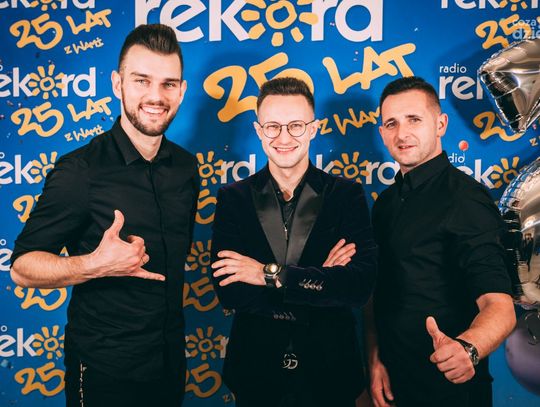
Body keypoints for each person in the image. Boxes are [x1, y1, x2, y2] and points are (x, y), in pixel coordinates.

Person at [10, 24, 199, 407]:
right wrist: (94, 265)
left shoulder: (186, 168)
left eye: (168, 84)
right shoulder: (81, 171)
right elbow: (22, 268)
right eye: (142, 81)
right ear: (118, 84)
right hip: (104, 369)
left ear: (181, 90)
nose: (156, 96)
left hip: (169, 362)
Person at [210, 77, 377, 407]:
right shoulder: (233, 198)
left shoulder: (347, 195)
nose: (284, 138)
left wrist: (266, 274)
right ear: (259, 131)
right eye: (273, 127)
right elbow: (229, 290)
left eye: (296, 126)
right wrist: (321, 282)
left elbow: (358, 287)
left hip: (331, 372)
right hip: (256, 373)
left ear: (313, 129)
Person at [365, 76, 516, 407]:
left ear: (441, 124)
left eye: (414, 119)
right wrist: (374, 360)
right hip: (392, 388)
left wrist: (468, 348)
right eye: (391, 123)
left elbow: (500, 307)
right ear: (382, 133)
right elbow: (377, 293)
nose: (402, 133)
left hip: (451, 392)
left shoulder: (466, 200)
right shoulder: (385, 204)